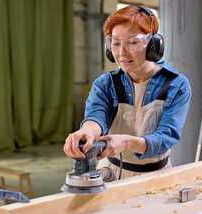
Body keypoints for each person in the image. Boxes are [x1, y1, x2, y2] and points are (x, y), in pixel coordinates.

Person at [63, 5, 192, 180]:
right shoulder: (105, 84)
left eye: (132, 42)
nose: (122, 53)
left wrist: (126, 142)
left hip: (157, 175)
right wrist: (87, 132)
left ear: (153, 44)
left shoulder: (176, 85)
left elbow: (165, 138)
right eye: (115, 43)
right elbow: (96, 116)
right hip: (111, 172)